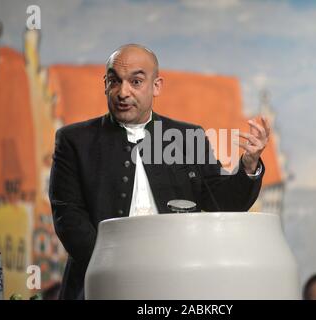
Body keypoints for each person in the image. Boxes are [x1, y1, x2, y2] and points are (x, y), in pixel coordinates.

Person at [49, 44, 271, 299]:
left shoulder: (189, 137)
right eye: (114, 81)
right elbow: (69, 218)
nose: (123, 92)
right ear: (105, 84)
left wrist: (249, 164)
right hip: (99, 282)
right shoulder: (74, 140)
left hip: (177, 283)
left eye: (136, 82)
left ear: (156, 86)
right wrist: (113, 268)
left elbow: (223, 202)